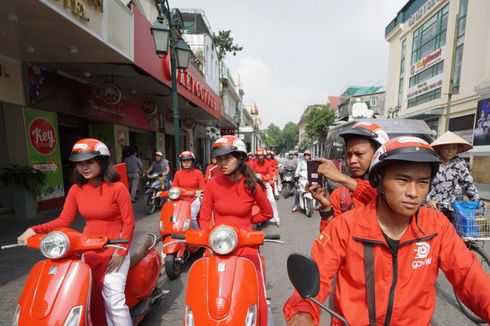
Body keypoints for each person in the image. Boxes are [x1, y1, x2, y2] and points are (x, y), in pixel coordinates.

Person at [283, 137, 490, 325]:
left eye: (423, 183)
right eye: (402, 180)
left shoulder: (437, 227)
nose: (412, 192)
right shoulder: (345, 226)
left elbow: (470, 278)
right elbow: (317, 277)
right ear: (379, 180)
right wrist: (302, 313)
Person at [17, 138, 135, 326]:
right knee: (82, 294)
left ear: (102, 161)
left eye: (89, 162)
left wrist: (121, 253)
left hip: (115, 247)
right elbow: (63, 220)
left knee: (113, 301)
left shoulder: (118, 188)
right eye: (80, 163)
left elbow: (129, 223)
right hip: (88, 249)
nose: (83, 167)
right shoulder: (76, 190)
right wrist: (33, 229)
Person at [201, 135, 273, 326]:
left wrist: (247, 224)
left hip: (246, 246)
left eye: (226, 158)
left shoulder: (252, 184)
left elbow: (267, 213)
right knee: (206, 294)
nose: (220, 163)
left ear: (240, 158)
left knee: (258, 294)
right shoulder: (212, 184)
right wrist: (204, 238)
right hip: (217, 246)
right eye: (218, 159)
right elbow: (204, 217)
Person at [309, 122, 389, 232]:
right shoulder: (340, 195)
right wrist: (327, 209)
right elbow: (329, 240)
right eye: (349, 155)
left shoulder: (393, 187)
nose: (352, 161)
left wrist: (341, 177)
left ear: (378, 154)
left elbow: (384, 200)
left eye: (359, 154)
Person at [426, 131, 483, 219]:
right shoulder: (431, 161)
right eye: (447, 148)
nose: (450, 151)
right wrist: (427, 200)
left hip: (450, 206)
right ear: (440, 148)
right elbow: (421, 182)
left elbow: (468, 184)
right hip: (431, 206)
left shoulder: (459, 163)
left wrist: (478, 202)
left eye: (454, 148)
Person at [172, 150, 205, 230]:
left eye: (188, 161)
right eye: (184, 161)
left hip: (194, 198)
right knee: (175, 217)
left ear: (192, 162)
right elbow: (174, 187)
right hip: (181, 199)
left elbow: (202, 188)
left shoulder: (198, 173)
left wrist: (195, 193)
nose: (186, 163)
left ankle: (198, 232)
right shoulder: (178, 173)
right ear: (181, 162)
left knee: (191, 216)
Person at [252, 148, 281, 226]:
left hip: (266, 184)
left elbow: (271, 176)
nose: (260, 158)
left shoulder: (267, 164)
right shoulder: (254, 163)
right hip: (256, 184)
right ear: (257, 156)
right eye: (259, 156)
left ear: (264, 156)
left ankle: (277, 219)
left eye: (262, 156)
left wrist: (263, 177)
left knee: (272, 200)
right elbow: (251, 173)